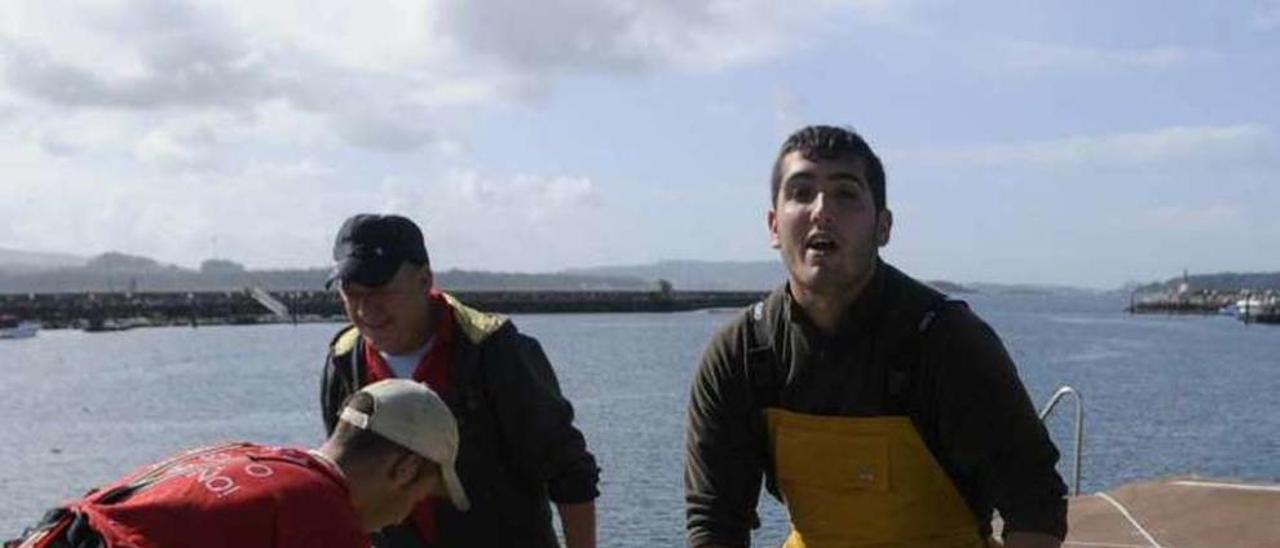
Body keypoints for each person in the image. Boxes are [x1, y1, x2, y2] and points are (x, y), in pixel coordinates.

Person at [684, 126, 1068, 548]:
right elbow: (715, 521)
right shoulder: (741, 353)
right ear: (774, 226)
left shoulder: (948, 342)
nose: (821, 211)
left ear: (883, 227)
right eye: (801, 192)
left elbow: (1035, 500)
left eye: (845, 194)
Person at [320, 213, 600, 548]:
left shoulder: (494, 350)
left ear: (425, 280)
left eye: (380, 289)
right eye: (351, 293)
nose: (366, 309)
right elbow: (342, 483)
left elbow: (570, 473)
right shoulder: (343, 360)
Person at [8, 379, 468, 548]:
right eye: (420, 495)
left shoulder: (246, 455)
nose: (406, 516)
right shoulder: (318, 514)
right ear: (405, 470)